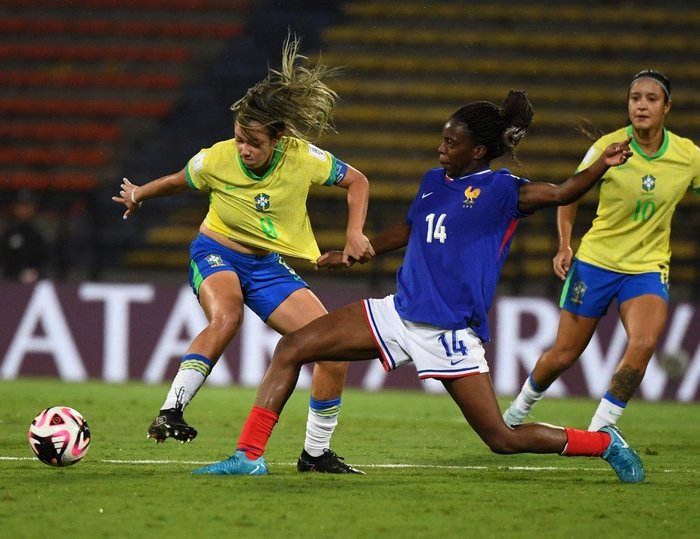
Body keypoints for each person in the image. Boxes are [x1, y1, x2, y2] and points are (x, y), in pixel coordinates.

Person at [191, 90, 645, 483]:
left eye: (452, 141)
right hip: (398, 312)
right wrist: (354, 252)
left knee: (502, 440)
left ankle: (602, 443)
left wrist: (602, 166)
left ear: (479, 150)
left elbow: (564, 192)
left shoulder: (505, 191)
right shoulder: (433, 181)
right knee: (292, 347)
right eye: (443, 138)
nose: (441, 147)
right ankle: (249, 456)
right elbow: (411, 229)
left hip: (448, 332)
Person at [112, 35, 374, 474]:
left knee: (332, 351)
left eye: (253, 142)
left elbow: (358, 181)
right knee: (226, 317)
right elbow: (179, 179)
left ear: (278, 138)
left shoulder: (302, 158)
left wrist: (353, 233)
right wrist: (139, 193)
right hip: (215, 251)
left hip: (267, 266)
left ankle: (315, 455)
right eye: (239, 139)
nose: (244, 150)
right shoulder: (217, 158)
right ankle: (171, 409)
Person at [503, 70, 700, 431]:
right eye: (635, 98)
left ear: (667, 106)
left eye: (651, 99)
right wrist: (565, 245)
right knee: (563, 356)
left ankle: (601, 430)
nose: (641, 105)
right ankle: (517, 410)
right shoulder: (609, 148)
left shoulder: (689, 157)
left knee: (644, 342)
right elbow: (569, 195)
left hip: (647, 268)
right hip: (595, 263)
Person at [1, 190, 46, 284]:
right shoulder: (8, 233)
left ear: (34, 208)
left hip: (38, 282)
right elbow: (5, 261)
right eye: (21, 206)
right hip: (9, 283)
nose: (24, 209)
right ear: (14, 208)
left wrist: (37, 273)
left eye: (27, 205)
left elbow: (48, 260)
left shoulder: (40, 233)